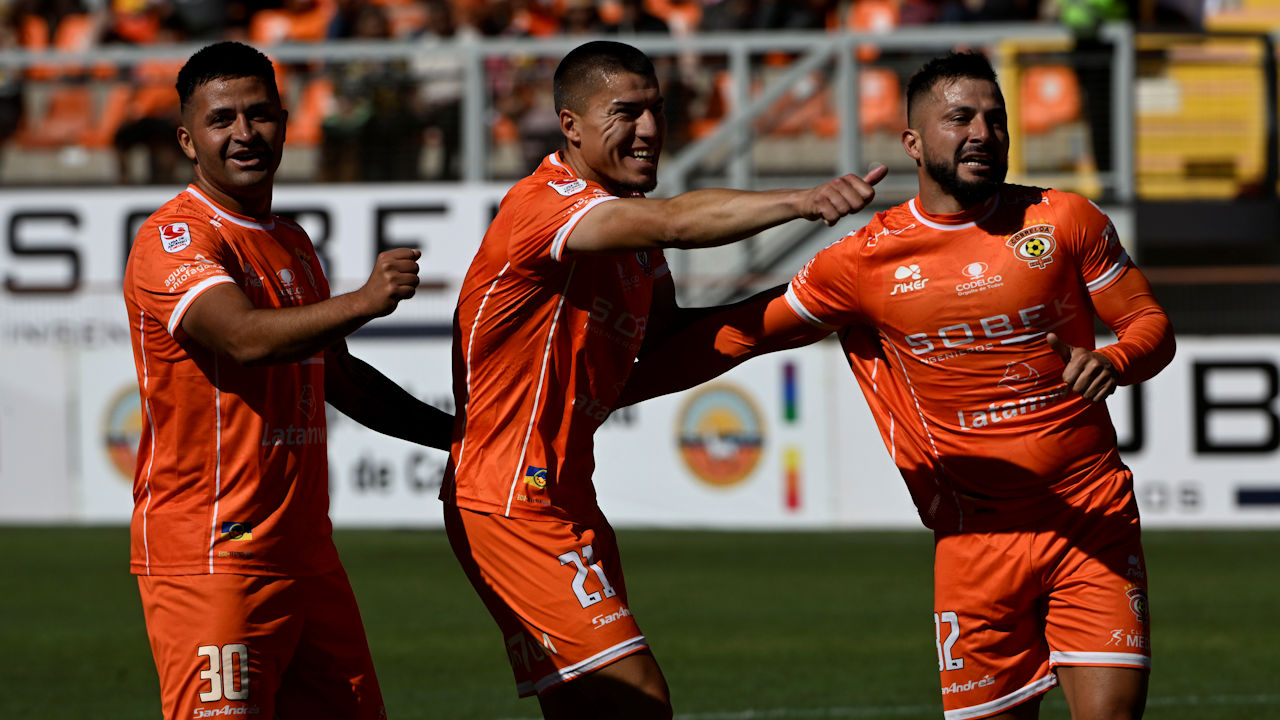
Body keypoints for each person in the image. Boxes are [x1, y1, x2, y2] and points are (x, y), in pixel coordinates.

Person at [619, 50, 1175, 720]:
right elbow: (742, 334)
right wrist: (604, 395)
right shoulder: (865, 263)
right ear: (911, 141)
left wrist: (1115, 361)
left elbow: (1148, 323)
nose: (981, 133)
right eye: (960, 118)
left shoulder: (1064, 220)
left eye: (994, 119)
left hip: (1091, 519)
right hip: (974, 543)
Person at [440, 39, 885, 720]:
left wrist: (807, 304)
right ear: (572, 128)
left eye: (655, 110)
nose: (648, 129)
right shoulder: (546, 205)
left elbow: (665, 350)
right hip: (509, 502)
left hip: (561, 495)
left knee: (587, 709)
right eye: (625, 112)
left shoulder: (630, 236)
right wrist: (803, 201)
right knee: (638, 701)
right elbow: (675, 221)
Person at [122, 41, 452, 720]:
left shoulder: (292, 241)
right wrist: (365, 300)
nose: (244, 134)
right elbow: (242, 339)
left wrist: (462, 436)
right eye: (222, 121)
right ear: (188, 139)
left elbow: (338, 377)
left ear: (285, 120)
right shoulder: (176, 239)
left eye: (260, 115)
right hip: (214, 558)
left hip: (307, 557)